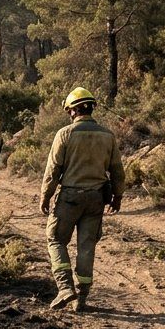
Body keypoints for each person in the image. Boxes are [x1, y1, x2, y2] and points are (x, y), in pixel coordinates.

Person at [41, 88, 126, 312]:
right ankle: (82, 299)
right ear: (90, 108)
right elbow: (117, 170)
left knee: (56, 240)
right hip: (97, 198)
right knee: (86, 247)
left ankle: (65, 287)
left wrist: (45, 196)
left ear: (73, 110)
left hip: (69, 198)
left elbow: (53, 171)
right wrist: (117, 196)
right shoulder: (107, 135)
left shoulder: (65, 134)